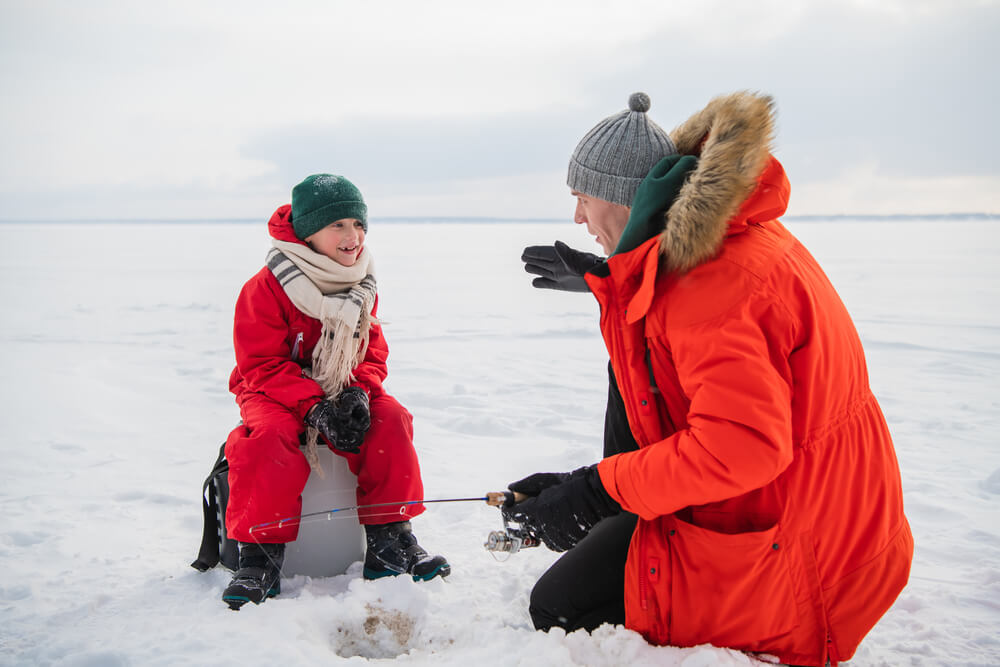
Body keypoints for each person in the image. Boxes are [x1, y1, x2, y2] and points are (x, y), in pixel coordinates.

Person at [507, 92, 913, 666]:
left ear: (625, 198)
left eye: (583, 197)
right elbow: (666, 382)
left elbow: (740, 447)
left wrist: (598, 491)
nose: (576, 217)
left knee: (558, 609)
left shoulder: (714, 286)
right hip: (805, 514)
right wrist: (613, 281)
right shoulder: (712, 246)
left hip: (799, 556)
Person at [221, 174, 449, 611]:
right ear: (309, 233)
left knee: (392, 420)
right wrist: (314, 408)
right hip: (270, 389)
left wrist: (359, 393)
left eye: (358, 224)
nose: (353, 236)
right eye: (338, 225)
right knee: (269, 438)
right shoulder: (265, 287)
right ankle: (259, 556)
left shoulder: (361, 284)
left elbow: (372, 350)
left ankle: (390, 540)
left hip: (343, 383)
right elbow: (261, 364)